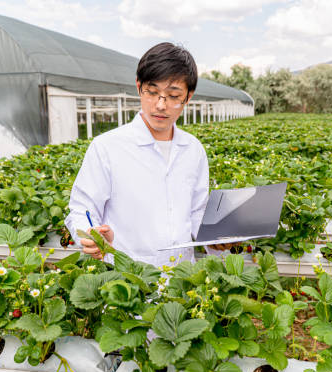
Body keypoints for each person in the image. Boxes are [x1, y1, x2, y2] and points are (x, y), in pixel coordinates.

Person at [65, 42, 232, 267]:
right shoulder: (107, 147)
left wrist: (216, 238)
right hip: (126, 282)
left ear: (188, 97)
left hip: (182, 280)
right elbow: (81, 208)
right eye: (152, 92)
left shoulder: (193, 150)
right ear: (138, 87)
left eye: (173, 96)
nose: (161, 105)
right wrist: (91, 234)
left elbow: (196, 212)